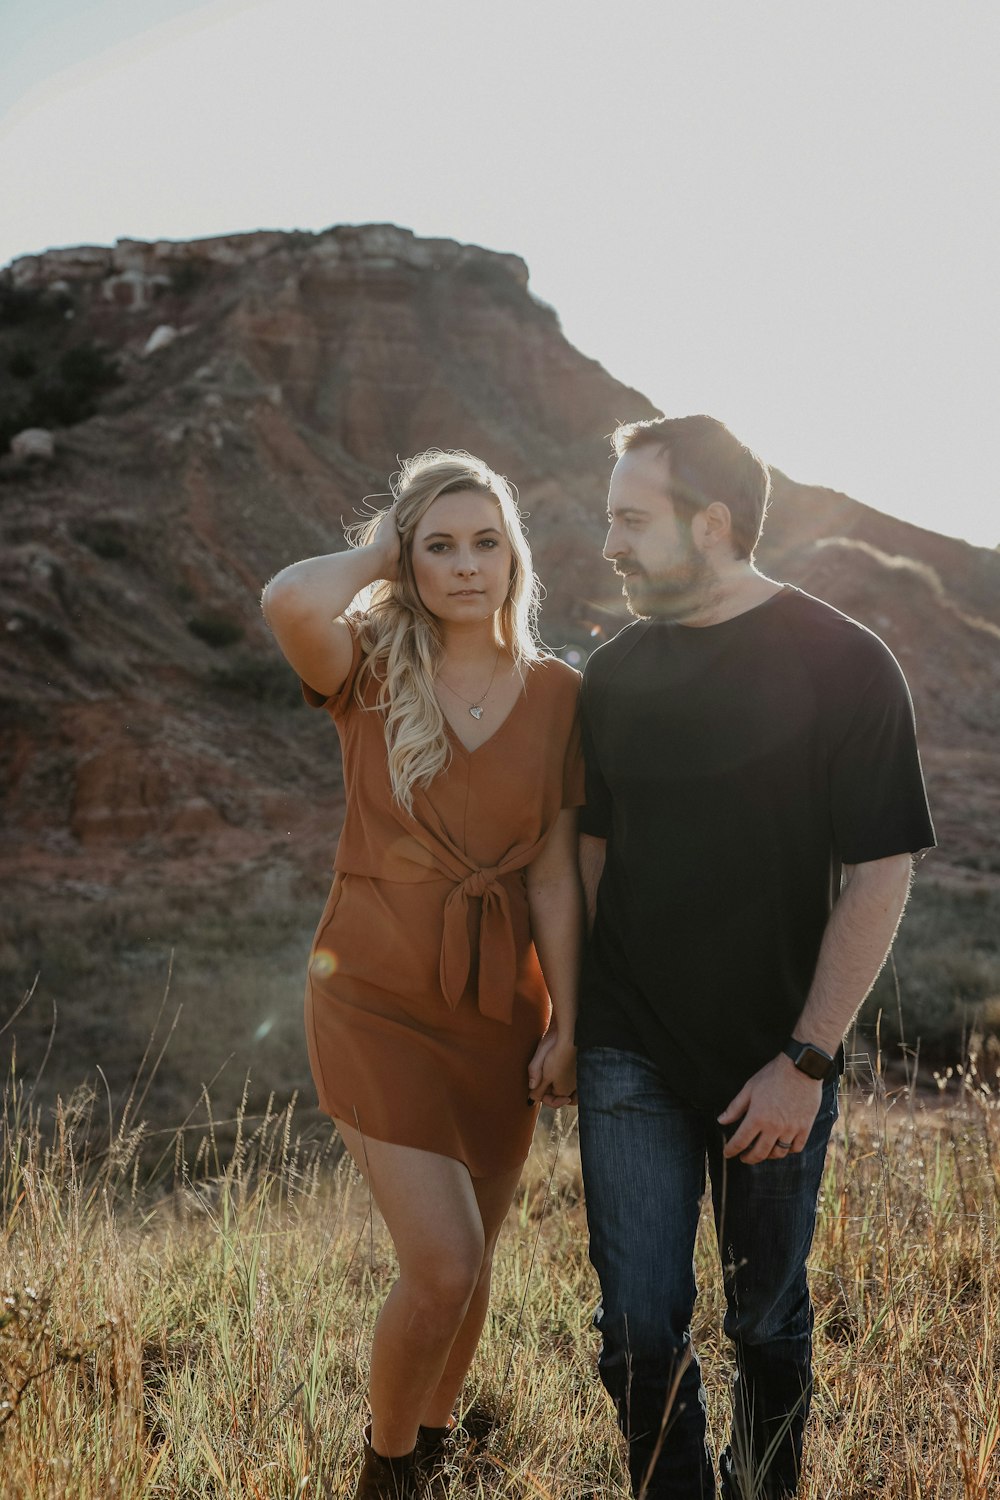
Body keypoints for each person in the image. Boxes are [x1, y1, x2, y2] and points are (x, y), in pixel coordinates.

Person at [575, 415, 935, 1500]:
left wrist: (806, 1060)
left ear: (713, 523)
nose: (611, 546)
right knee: (638, 1330)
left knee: (764, 1321)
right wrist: (567, 1018)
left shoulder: (844, 663)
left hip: (775, 1057)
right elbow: (587, 859)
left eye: (631, 521)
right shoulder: (613, 672)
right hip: (627, 1049)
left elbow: (881, 871)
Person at [262, 450, 583, 1500]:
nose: (465, 566)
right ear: (406, 559)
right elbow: (283, 597)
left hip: (498, 1011)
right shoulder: (362, 665)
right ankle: (387, 1469)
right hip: (371, 999)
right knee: (440, 1263)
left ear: (514, 555)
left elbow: (549, 873)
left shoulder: (558, 694)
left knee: (475, 1269)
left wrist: (567, 1020)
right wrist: (379, 552)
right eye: (438, 546)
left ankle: (435, 1446)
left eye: (485, 542)